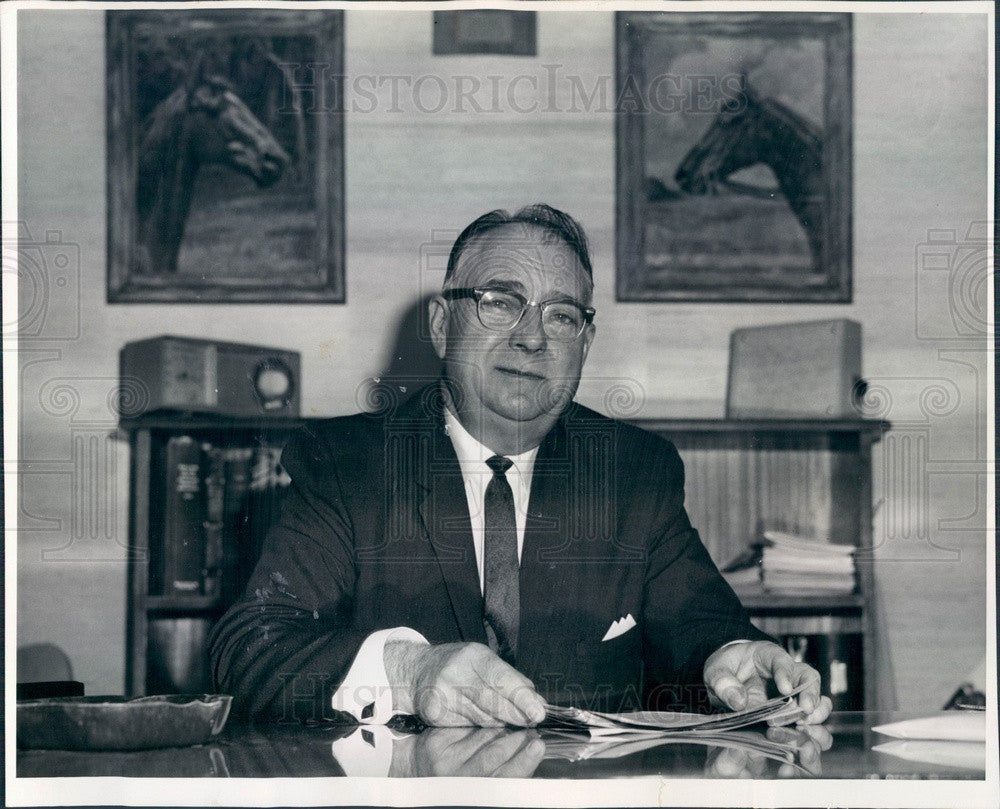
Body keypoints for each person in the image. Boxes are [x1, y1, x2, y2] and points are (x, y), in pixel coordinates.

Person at [208, 204, 832, 729]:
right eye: (500, 303)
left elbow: (700, 620)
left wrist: (733, 654)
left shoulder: (632, 471)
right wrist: (408, 672)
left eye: (562, 315)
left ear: (584, 342)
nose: (533, 338)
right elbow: (249, 651)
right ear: (440, 322)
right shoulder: (348, 465)